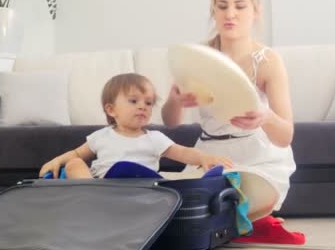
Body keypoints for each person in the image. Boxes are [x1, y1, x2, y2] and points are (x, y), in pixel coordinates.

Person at [161, 0, 296, 211]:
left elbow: (285, 137)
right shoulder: (199, 55)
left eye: (240, 6)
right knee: (188, 205)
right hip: (210, 154)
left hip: (257, 156)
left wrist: (265, 116)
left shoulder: (268, 61)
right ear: (214, 11)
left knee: (236, 197)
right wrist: (175, 100)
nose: (230, 14)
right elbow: (170, 122)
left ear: (255, 11)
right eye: (222, 6)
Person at [39, 73, 233, 179]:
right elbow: (76, 154)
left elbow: (183, 152)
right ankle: (89, 194)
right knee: (74, 164)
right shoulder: (101, 136)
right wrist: (57, 160)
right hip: (103, 186)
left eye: (148, 103)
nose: (142, 106)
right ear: (111, 109)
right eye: (133, 101)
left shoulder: (154, 139)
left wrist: (205, 157)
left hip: (142, 188)